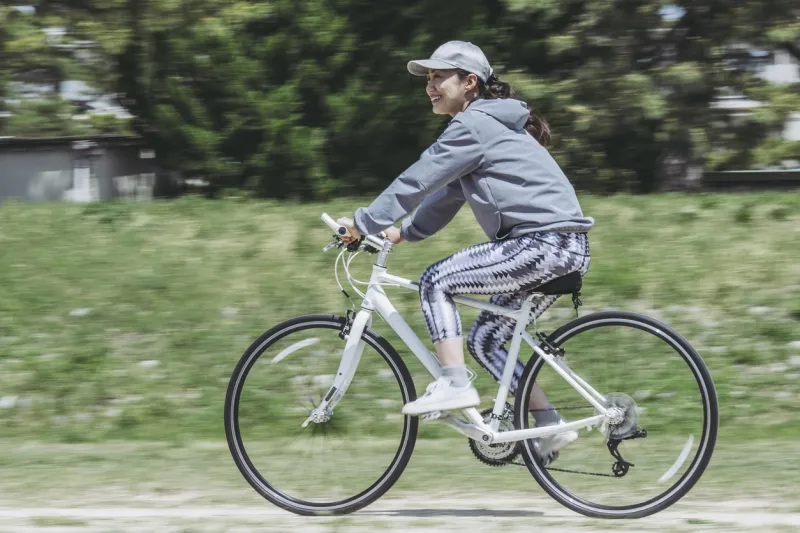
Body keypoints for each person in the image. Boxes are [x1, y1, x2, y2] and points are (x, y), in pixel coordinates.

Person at [336, 41, 593, 462]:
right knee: (488, 340)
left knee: (436, 281)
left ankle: (455, 383)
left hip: (542, 245)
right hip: (562, 247)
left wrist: (362, 222)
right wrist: (403, 233)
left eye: (439, 76)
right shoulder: (490, 126)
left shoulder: (474, 126)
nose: (430, 86)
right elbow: (448, 195)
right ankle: (547, 422)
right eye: (428, 79)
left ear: (469, 82)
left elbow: (417, 180)